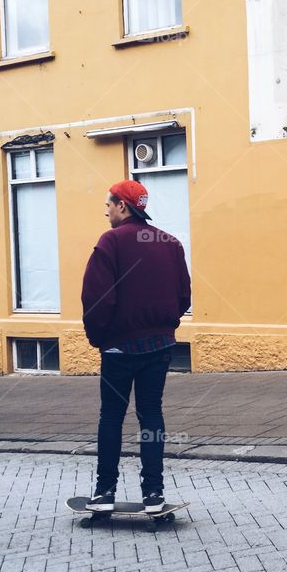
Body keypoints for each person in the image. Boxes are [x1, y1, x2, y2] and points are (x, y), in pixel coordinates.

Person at [81, 180, 191, 513]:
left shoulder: (110, 242)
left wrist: (99, 338)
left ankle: (104, 493)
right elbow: (183, 295)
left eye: (109, 204)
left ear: (123, 206)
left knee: (111, 417)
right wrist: (166, 325)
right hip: (158, 347)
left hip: (118, 350)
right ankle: (154, 494)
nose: (106, 210)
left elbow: (96, 298)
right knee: (151, 416)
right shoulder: (170, 243)